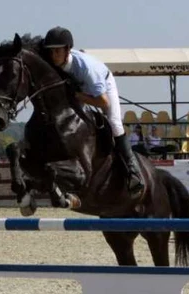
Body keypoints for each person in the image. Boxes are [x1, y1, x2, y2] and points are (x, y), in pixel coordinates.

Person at [42, 26, 143, 194]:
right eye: (51, 52)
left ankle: (133, 172)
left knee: (114, 123)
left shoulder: (86, 68)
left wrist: (77, 96)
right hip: (80, 88)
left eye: (57, 52)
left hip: (102, 87)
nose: (53, 56)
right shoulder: (54, 60)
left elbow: (103, 102)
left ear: (68, 50)